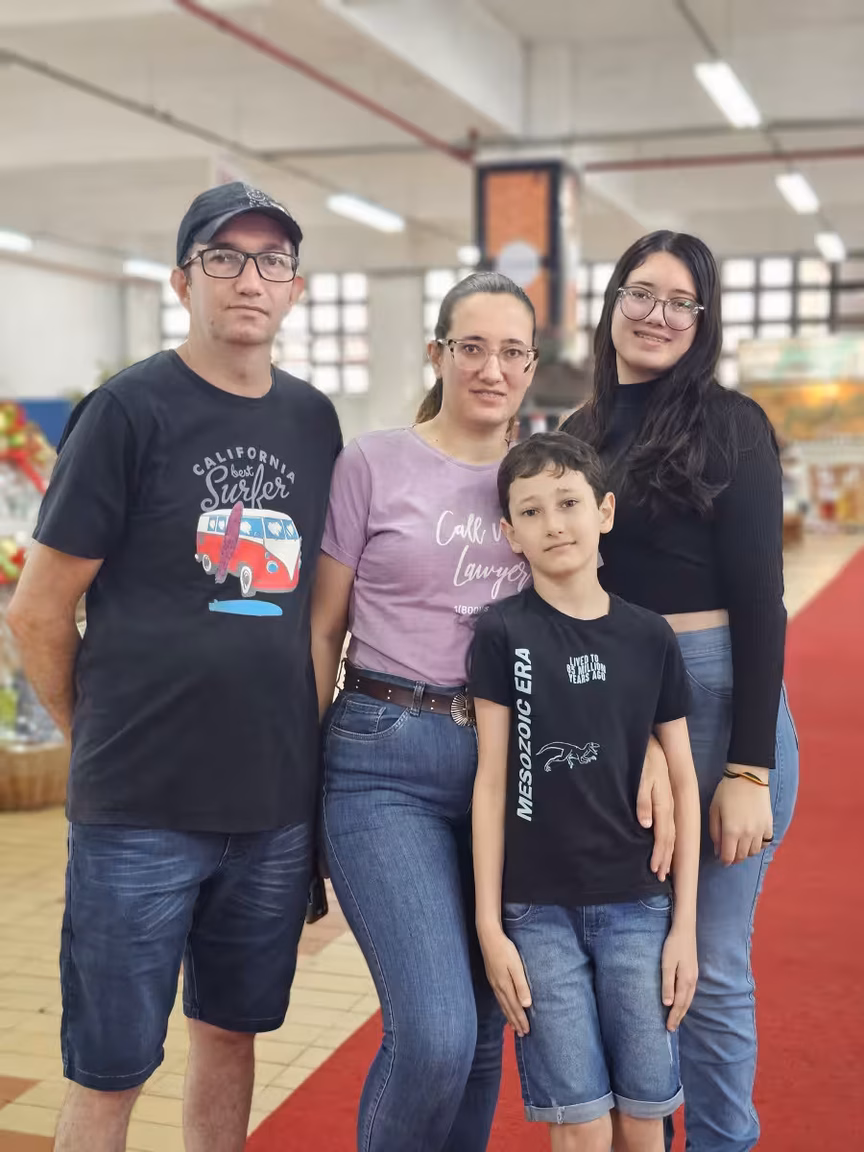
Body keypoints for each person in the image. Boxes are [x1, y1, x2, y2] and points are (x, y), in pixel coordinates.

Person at [7, 182, 342, 1152]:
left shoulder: (313, 421)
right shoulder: (127, 412)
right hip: (139, 812)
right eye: (224, 258)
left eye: (272, 261)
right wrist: (97, 738)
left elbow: (319, 612)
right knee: (109, 1068)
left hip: (271, 808)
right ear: (183, 281)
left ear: (296, 288)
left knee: (232, 1036)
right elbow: (36, 611)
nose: (250, 279)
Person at [310, 271, 675, 1152]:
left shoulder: (541, 480)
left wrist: (648, 747)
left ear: (533, 365)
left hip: (516, 771)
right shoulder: (371, 464)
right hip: (385, 758)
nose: (491, 368)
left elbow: (598, 621)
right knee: (435, 1033)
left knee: (483, 1035)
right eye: (470, 348)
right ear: (437, 354)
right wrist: (294, 787)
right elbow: (321, 631)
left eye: (512, 351)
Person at [560, 231, 798, 1152]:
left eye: (680, 302)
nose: (657, 315)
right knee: (634, 956)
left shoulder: (731, 423)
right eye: (641, 293)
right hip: (617, 708)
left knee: (713, 962)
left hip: (715, 702)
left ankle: (724, 1141)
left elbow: (762, 602)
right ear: (612, 300)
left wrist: (748, 769)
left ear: (704, 321)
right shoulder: (580, 433)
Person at [470, 432, 702, 1152]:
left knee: (643, 1115)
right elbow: (491, 783)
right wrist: (490, 926)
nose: (553, 524)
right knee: (581, 1123)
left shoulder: (649, 636)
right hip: (537, 914)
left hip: (640, 907)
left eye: (569, 503)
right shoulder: (502, 632)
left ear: (604, 511)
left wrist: (685, 927)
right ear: (510, 533)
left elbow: (683, 779)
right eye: (531, 511)